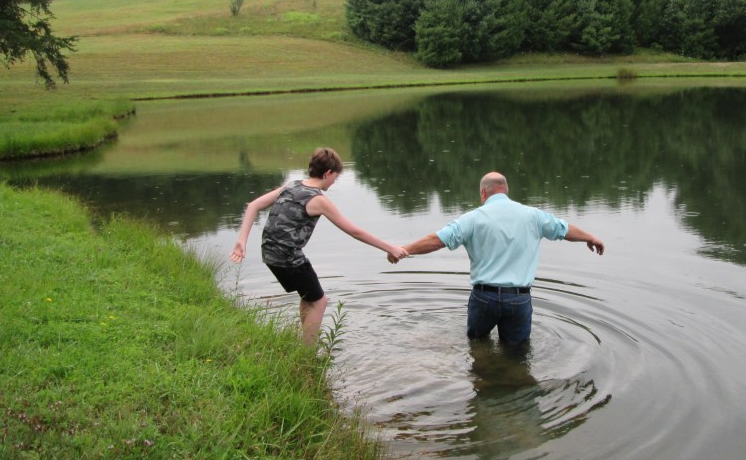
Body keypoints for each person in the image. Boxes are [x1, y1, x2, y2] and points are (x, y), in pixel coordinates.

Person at [391, 171, 604, 345]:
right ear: (506, 191)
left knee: (477, 346)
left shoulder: (473, 218)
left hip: (484, 298)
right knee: (518, 355)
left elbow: (437, 240)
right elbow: (563, 230)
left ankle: (483, 381)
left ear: (483, 193)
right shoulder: (533, 215)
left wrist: (403, 250)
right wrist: (590, 237)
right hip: (519, 299)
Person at [230, 147, 408, 345]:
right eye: (335, 177)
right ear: (328, 173)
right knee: (320, 302)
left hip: (269, 254)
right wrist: (389, 248)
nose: (334, 182)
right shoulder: (318, 199)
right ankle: (307, 354)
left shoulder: (291, 186)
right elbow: (354, 231)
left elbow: (253, 205)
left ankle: (304, 343)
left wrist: (242, 241)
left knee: (309, 298)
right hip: (288, 257)